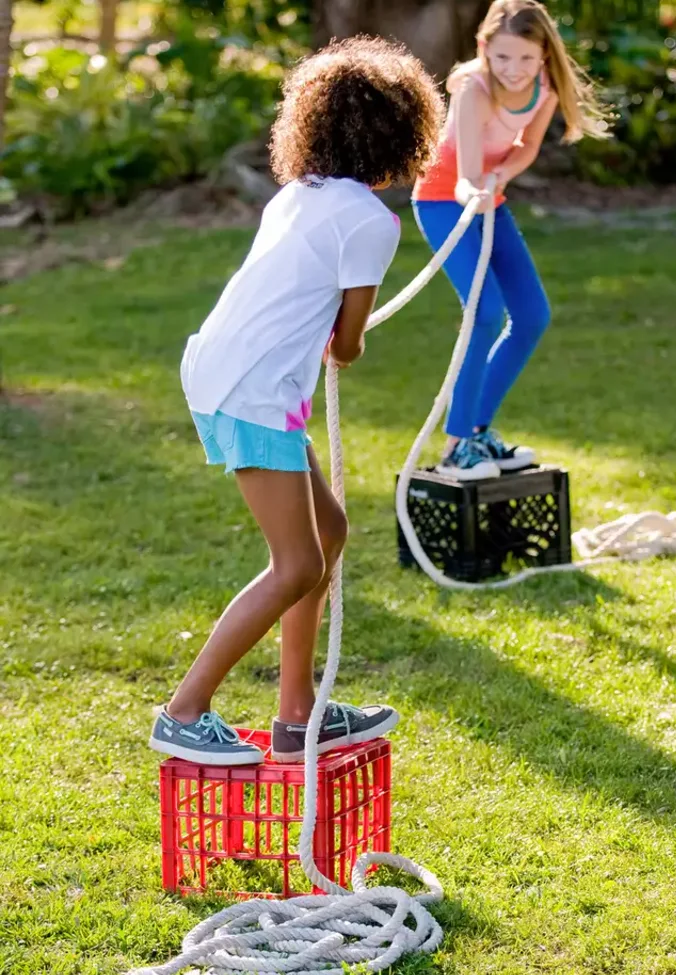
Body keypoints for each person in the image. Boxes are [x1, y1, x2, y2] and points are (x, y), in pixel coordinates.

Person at [149, 37, 444, 765]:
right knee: (297, 565)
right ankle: (184, 710)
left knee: (330, 530)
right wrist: (345, 336)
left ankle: (296, 713)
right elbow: (344, 347)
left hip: (221, 371)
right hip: (255, 390)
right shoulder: (373, 222)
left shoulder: (297, 195)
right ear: (406, 133)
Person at [413, 0, 608, 480]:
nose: (514, 70)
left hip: (489, 197)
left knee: (532, 316)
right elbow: (464, 175)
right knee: (485, 311)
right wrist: (475, 188)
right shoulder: (473, 91)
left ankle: (478, 431)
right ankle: (457, 444)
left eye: (525, 58)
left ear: (543, 55)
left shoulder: (545, 87)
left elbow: (528, 148)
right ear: (484, 49)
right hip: (443, 200)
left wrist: (501, 176)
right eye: (502, 58)